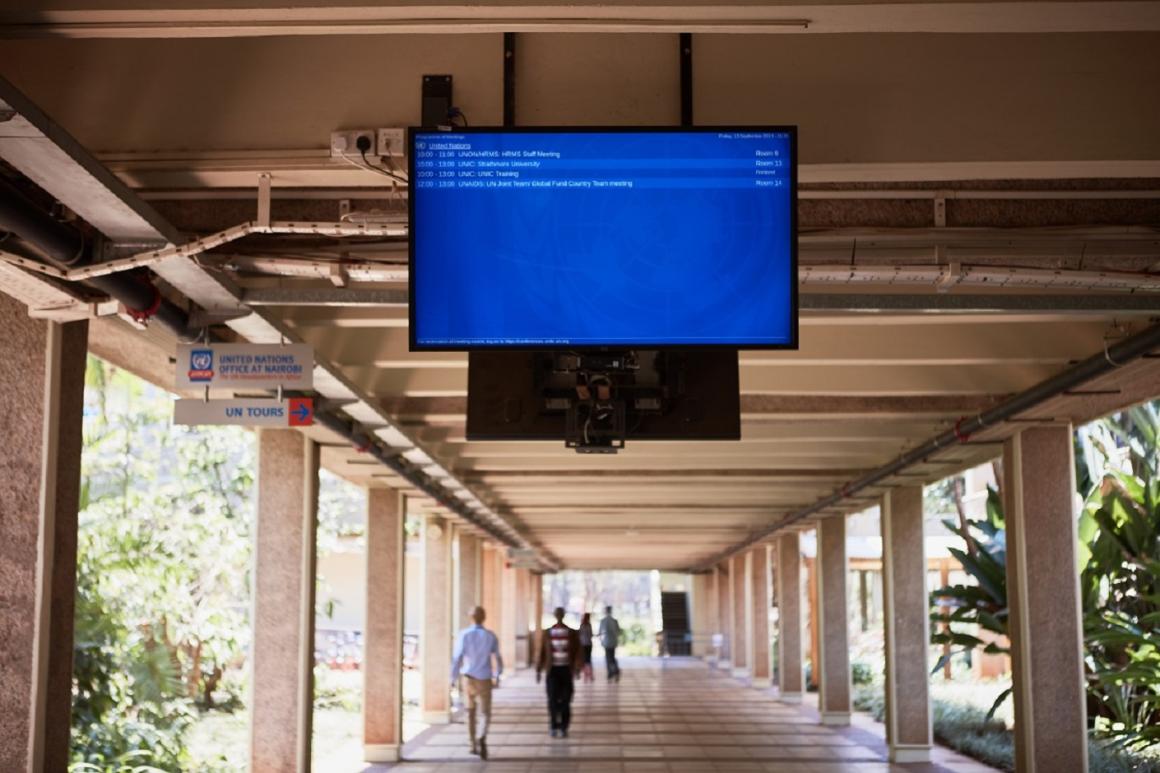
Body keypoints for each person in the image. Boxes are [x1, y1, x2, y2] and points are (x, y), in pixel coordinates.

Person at [451, 606, 503, 760]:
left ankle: (472, 744)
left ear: (470, 617)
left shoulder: (464, 635)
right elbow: (498, 657)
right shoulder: (490, 636)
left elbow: (457, 659)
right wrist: (498, 675)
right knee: (485, 712)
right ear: (484, 617)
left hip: (468, 678)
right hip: (484, 679)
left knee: (470, 712)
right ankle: (482, 736)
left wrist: (452, 679)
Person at [536, 606, 582, 738]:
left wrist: (577, 668)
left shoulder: (572, 633)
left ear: (564, 615)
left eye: (561, 614)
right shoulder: (547, 633)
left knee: (566, 699)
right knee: (552, 699)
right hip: (553, 671)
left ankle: (564, 726)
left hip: (566, 670)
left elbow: (578, 651)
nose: (559, 616)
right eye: (557, 614)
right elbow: (542, 652)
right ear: (555, 616)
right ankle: (553, 725)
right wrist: (539, 669)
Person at [598, 605, 621, 682]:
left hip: (606, 642)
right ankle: (615, 671)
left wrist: (601, 640)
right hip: (613, 642)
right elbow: (618, 631)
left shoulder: (603, 621)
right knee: (612, 657)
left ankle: (611, 672)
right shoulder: (614, 621)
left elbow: (600, 632)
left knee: (608, 658)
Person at [578, 612, 594, 683]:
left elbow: (579, 634)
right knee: (589, 660)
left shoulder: (582, 625)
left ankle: (585, 675)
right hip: (588, 644)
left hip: (583, 644)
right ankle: (590, 675)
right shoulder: (589, 625)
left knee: (584, 660)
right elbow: (590, 634)